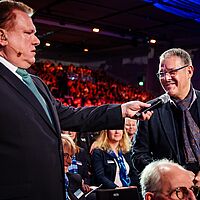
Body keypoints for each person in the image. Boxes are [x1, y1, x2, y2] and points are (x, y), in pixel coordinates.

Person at [0, 1, 152, 200]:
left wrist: (121, 110)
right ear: (2, 36)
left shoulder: (36, 83)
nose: (36, 40)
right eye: (28, 33)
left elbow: (71, 116)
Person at [132, 48, 200, 188]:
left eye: (172, 72)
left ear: (189, 71)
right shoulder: (150, 109)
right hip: (170, 191)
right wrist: (169, 176)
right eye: (161, 73)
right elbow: (139, 155)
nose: (166, 78)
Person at [61, 134, 95, 200]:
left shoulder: (75, 179)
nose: (70, 162)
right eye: (65, 155)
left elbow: (80, 198)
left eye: (71, 157)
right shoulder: (45, 183)